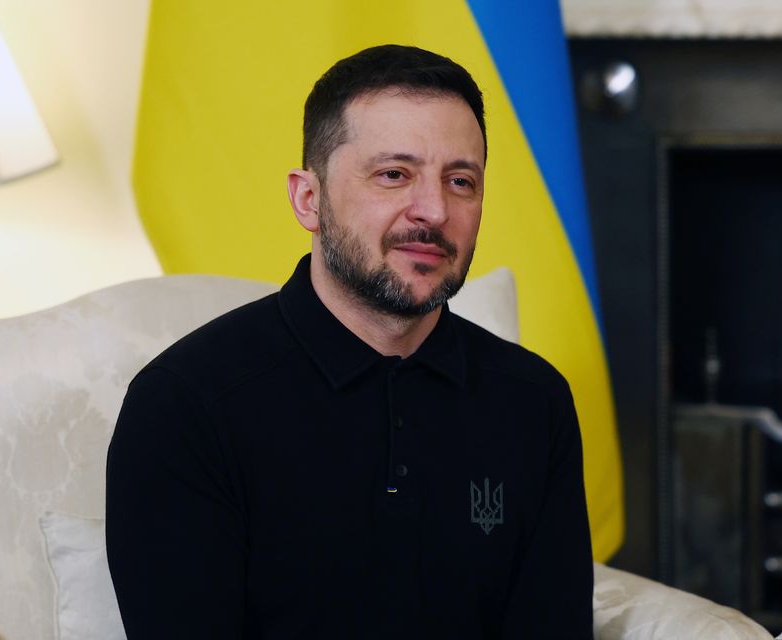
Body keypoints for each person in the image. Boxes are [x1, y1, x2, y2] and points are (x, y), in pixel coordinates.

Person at [106, 44, 593, 639]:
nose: (434, 211)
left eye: (460, 181)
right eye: (394, 174)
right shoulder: (183, 406)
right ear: (307, 199)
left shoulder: (534, 401)